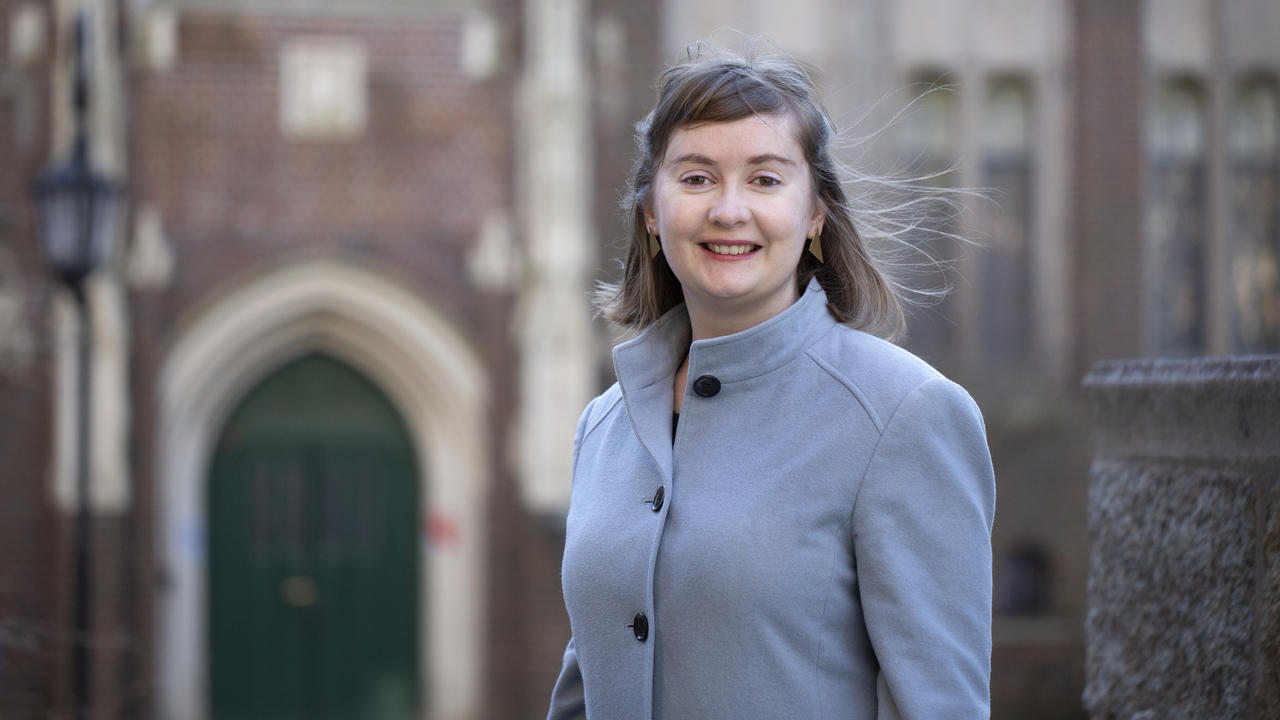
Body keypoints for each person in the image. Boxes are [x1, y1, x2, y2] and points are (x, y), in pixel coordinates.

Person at [546, 43, 996, 720]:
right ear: (649, 210)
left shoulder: (906, 415)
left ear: (815, 213)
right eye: (696, 178)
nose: (729, 210)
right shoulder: (603, 427)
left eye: (765, 179)